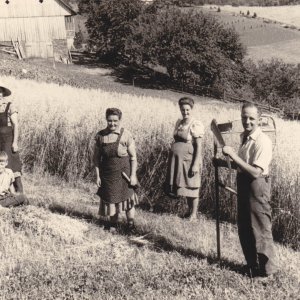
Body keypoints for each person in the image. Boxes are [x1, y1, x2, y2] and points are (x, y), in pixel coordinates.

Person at [222, 102, 278, 278]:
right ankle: (252, 266)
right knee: (245, 227)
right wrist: (222, 162)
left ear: (259, 120)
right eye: (244, 117)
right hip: (244, 183)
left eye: (252, 118)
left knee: (260, 229)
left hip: (257, 186)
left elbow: (255, 171)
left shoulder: (263, 141)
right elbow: (243, 165)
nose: (247, 121)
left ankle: (267, 273)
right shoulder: (245, 138)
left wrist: (233, 155)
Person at [93, 108, 139, 232]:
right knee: (111, 199)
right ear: (106, 120)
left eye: (115, 121)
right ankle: (113, 224)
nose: (112, 124)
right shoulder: (100, 136)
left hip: (124, 174)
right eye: (109, 121)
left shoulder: (126, 135)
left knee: (128, 199)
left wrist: (133, 176)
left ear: (120, 120)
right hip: (107, 174)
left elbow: (134, 157)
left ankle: (130, 224)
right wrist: (97, 176)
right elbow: (96, 159)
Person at [165, 97, 204, 220]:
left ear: (191, 109)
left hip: (189, 159)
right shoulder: (179, 123)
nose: (185, 112)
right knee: (185, 186)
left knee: (192, 185)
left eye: (187, 110)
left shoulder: (195, 124)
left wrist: (195, 164)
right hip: (178, 161)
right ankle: (188, 211)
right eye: (183, 110)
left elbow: (198, 145)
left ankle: (194, 214)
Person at [0, 86, 23, 193]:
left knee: (12, 165)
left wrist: (14, 143)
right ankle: (4, 191)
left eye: (0, 93)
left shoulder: (10, 106)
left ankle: (19, 192)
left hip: (8, 141)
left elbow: (16, 125)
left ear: (3, 94)